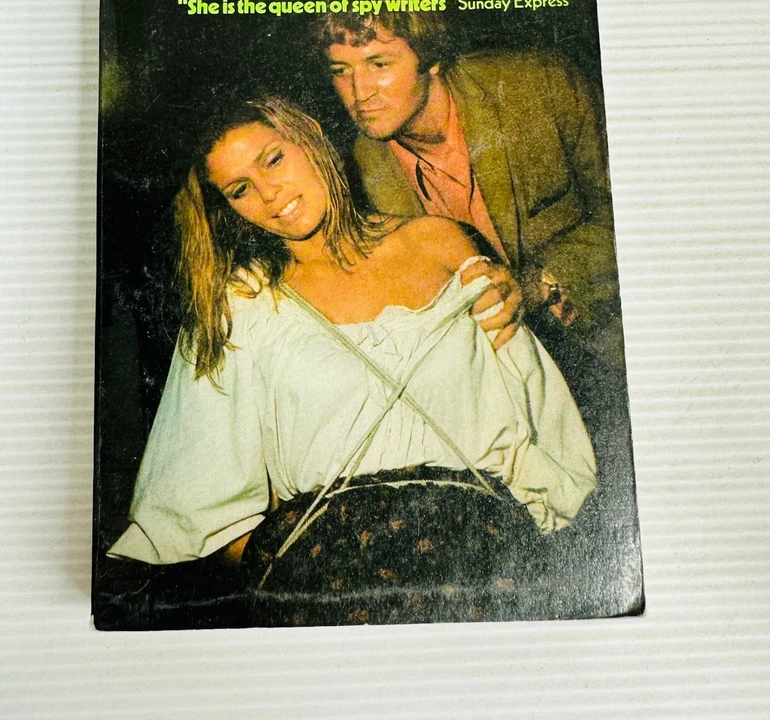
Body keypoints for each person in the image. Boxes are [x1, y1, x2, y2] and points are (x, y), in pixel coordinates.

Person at [108, 97, 597, 625]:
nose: (268, 194)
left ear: (311, 137)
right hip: (329, 566)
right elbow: (189, 501)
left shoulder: (440, 242)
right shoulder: (243, 301)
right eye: (240, 189)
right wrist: (289, 561)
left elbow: (538, 415)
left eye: (273, 159)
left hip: (475, 544)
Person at [314, 8, 625, 370]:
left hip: (609, 343)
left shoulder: (540, 86)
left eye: (379, 64)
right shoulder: (360, 169)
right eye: (341, 71)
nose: (359, 92)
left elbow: (634, 211)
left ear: (430, 58)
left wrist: (542, 280)